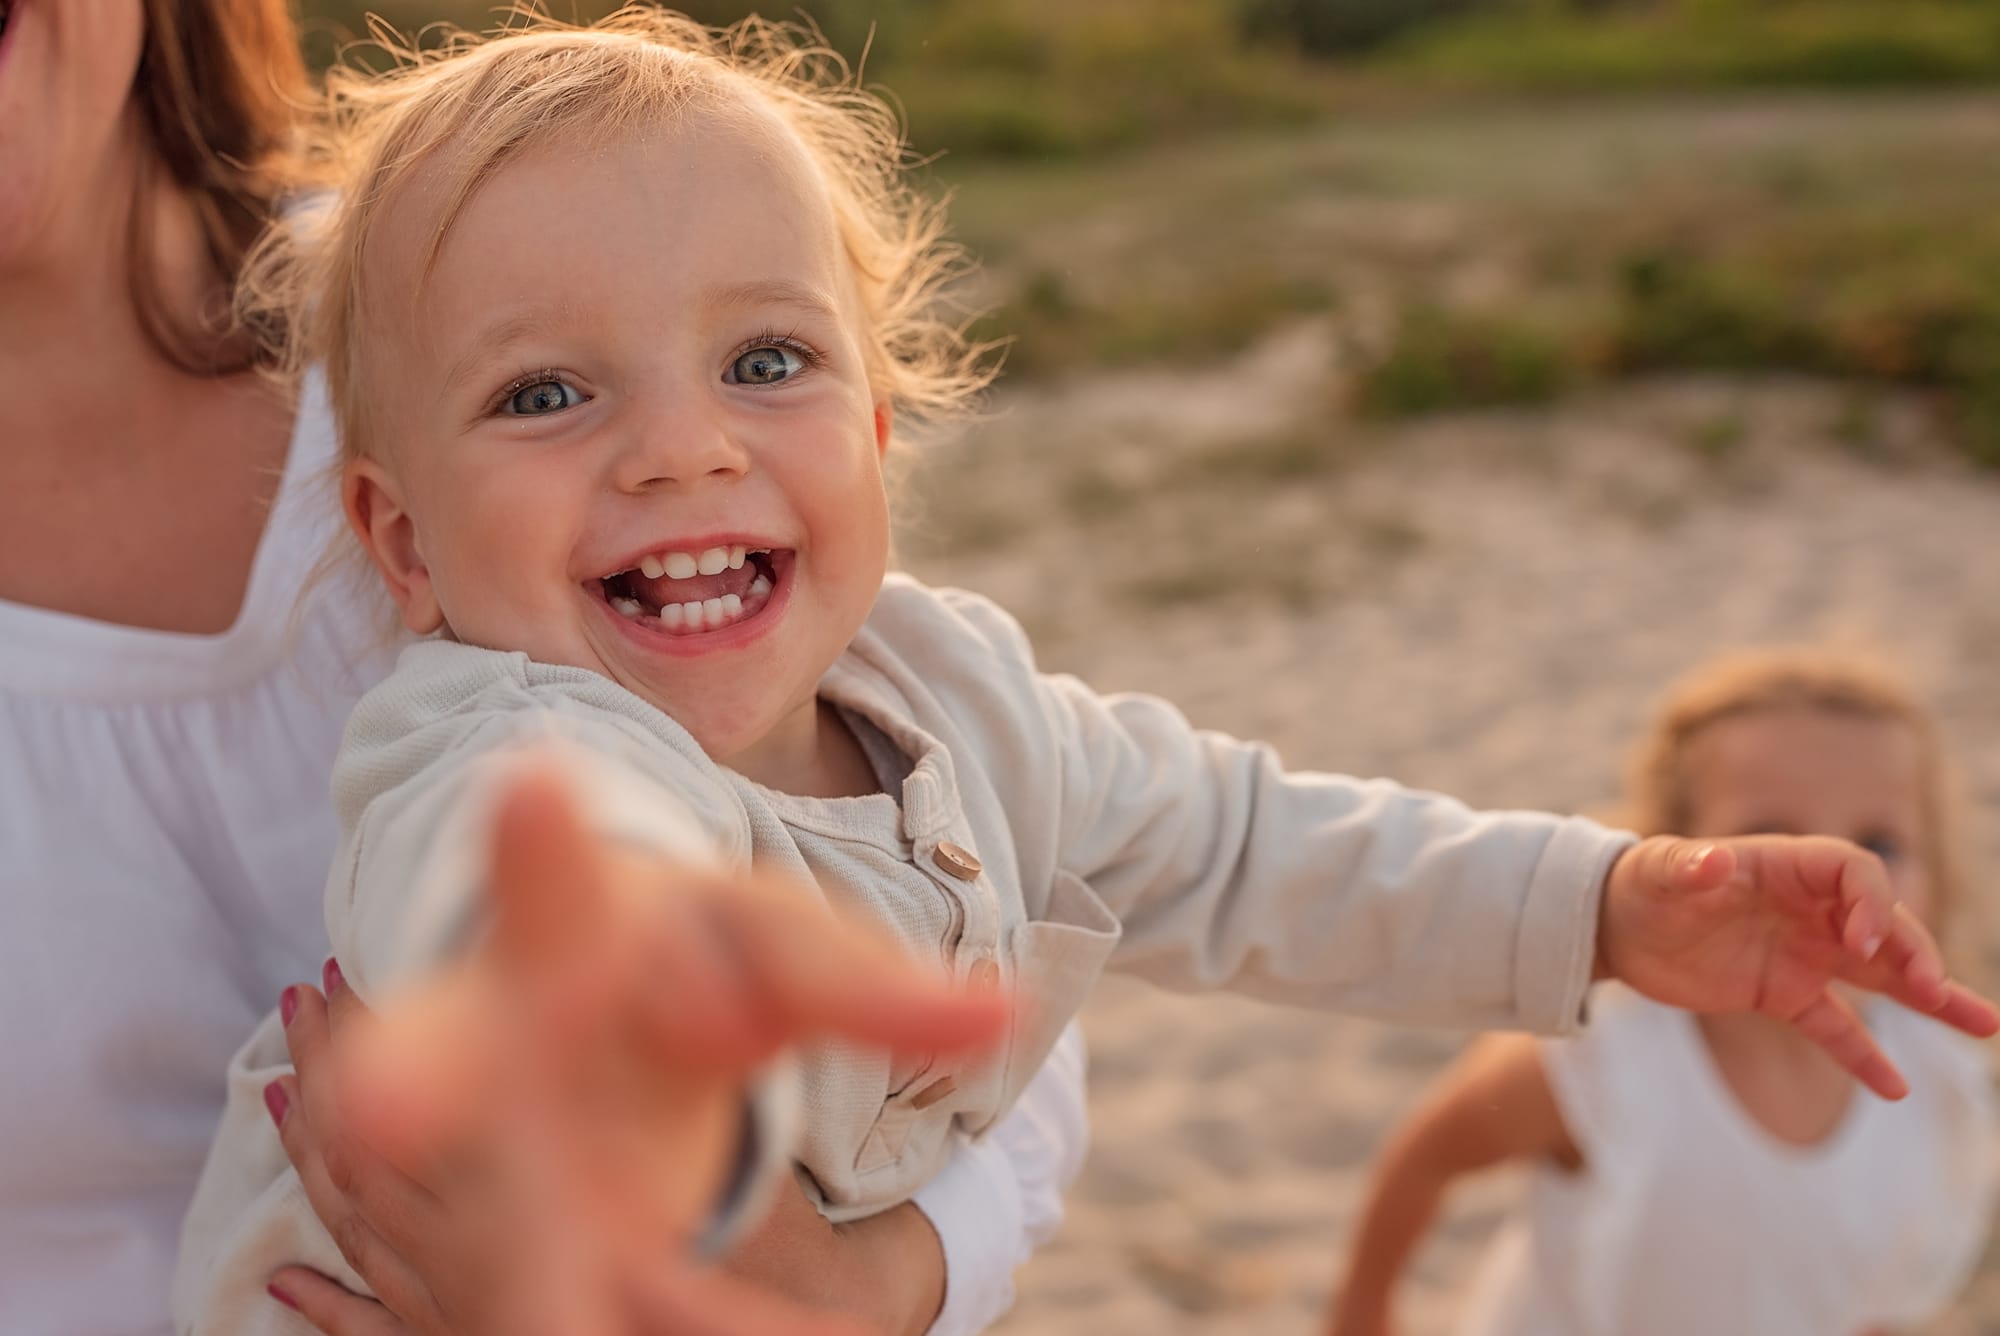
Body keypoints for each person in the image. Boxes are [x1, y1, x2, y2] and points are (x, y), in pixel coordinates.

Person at [170, 12, 1999, 1336]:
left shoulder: (958, 694)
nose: (682, 452)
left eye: (766, 361)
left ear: (881, 433)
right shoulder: (509, 745)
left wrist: (1608, 898)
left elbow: (1251, 847)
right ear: (402, 546)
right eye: (547, 394)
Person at [0, 2, 1087, 1333]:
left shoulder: (488, 280)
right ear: (389, 536)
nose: (683, 448)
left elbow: (970, 865)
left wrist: (879, 1285)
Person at [1325, 649, 1998, 1336]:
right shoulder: (1605, 1052)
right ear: (1671, 859)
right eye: (1771, 834)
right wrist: (1363, 1310)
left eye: (1879, 842)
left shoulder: (1937, 1084)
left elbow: (1869, 1297)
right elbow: (1429, 1156)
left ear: (1939, 874)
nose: (1834, 873)